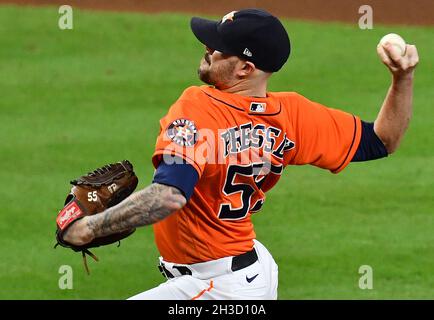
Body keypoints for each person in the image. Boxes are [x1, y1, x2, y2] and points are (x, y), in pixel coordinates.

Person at [63, 8, 419, 300]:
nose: (207, 47)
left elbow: (169, 195)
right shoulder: (292, 115)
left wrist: (89, 228)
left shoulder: (197, 106)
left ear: (245, 68)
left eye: (218, 47)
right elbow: (382, 140)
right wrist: (402, 79)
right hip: (252, 273)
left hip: (214, 288)